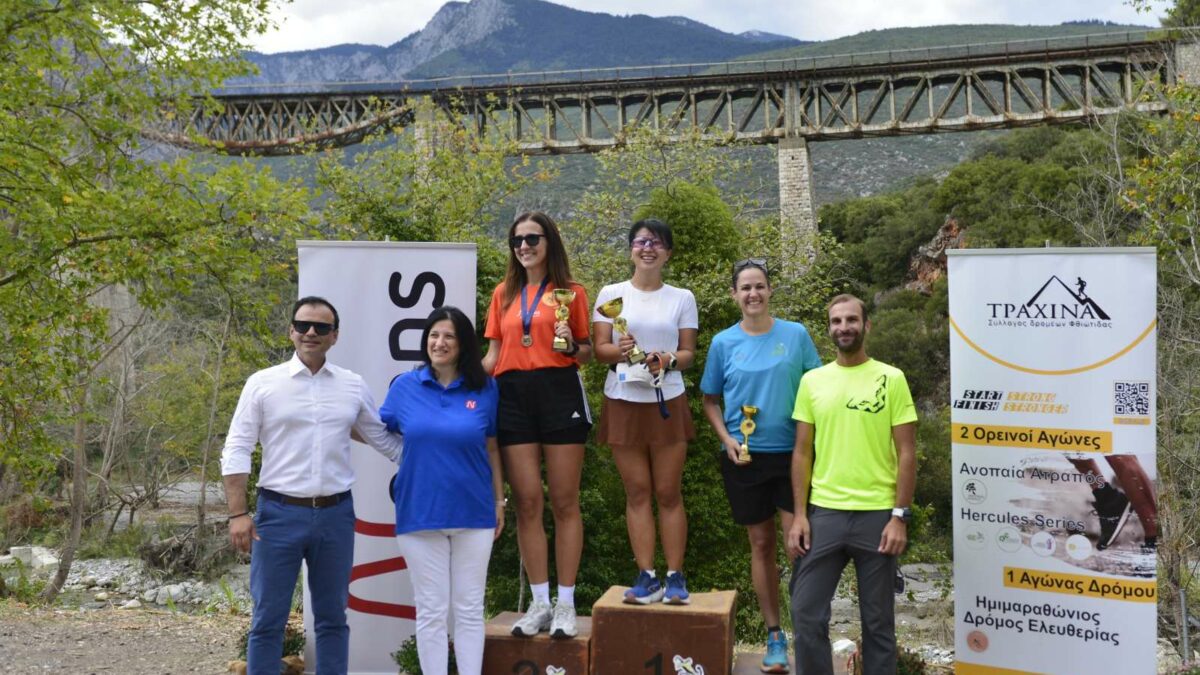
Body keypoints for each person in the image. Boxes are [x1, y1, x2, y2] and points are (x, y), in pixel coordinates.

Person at [221, 297, 404, 675]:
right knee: (268, 618)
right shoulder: (262, 383)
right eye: (303, 325)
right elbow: (237, 447)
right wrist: (237, 513)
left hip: (336, 515)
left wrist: (446, 451)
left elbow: (385, 442)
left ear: (334, 336)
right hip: (277, 514)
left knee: (333, 618)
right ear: (291, 330)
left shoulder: (352, 386)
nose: (310, 332)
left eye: (321, 327)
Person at [700, 258, 821, 674]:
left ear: (770, 291)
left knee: (798, 544)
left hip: (793, 455)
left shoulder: (796, 334)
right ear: (734, 294)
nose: (753, 294)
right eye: (745, 288)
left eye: (759, 286)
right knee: (761, 545)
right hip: (744, 458)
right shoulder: (722, 343)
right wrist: (727, 439)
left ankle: (808, 634)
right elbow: (710, 401)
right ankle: (774, 636)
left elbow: (818, 388)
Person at [786, 294, 917, 675]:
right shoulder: (813, 381)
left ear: (866, 325)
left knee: (878, 623)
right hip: (824, 514)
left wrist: (899, 516)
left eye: (851, 320)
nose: (844, 327)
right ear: (829, 329)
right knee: (806, 614)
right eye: (836, 321)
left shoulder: (892, 378)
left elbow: (906, 452)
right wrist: (799, 515)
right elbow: (802, 452)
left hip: (878, 516)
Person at [482, 211, 593, 639]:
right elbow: (493, 357)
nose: (524, 247)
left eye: (532, 238)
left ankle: (566, 604)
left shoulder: (572, 292)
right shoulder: (503, 294)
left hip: (558, 390)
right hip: (512, 395)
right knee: (527, 502)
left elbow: (585, 352)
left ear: (549, 242)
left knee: (564, 501)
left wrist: (573, 346)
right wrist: (449, 379)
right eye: (517, 240)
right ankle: (540, 603)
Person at [378, 306, 504, 675]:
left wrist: (499, 501)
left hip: (474, 512)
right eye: (434, 335)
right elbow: (373, 430)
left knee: (469, 609)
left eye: (449, 336)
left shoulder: (486, 388)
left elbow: (492, 448)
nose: (440, 342)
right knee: (431, 610)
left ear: (463, 344)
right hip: (420, 513)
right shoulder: (405, 387)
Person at [592, 219, 699, 606]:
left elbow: (688, 353)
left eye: (656, 243)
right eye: (640, 242)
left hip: (667, 398)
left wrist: (667, 359)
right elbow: (599, 349)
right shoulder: (611, 294)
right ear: (631, 250)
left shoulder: (682, 297)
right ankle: (646, 577)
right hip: (623, 398)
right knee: (637, 492)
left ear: (668, 252)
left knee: (668, 492)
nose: (648, 248)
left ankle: (675, 577)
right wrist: (621, 350)